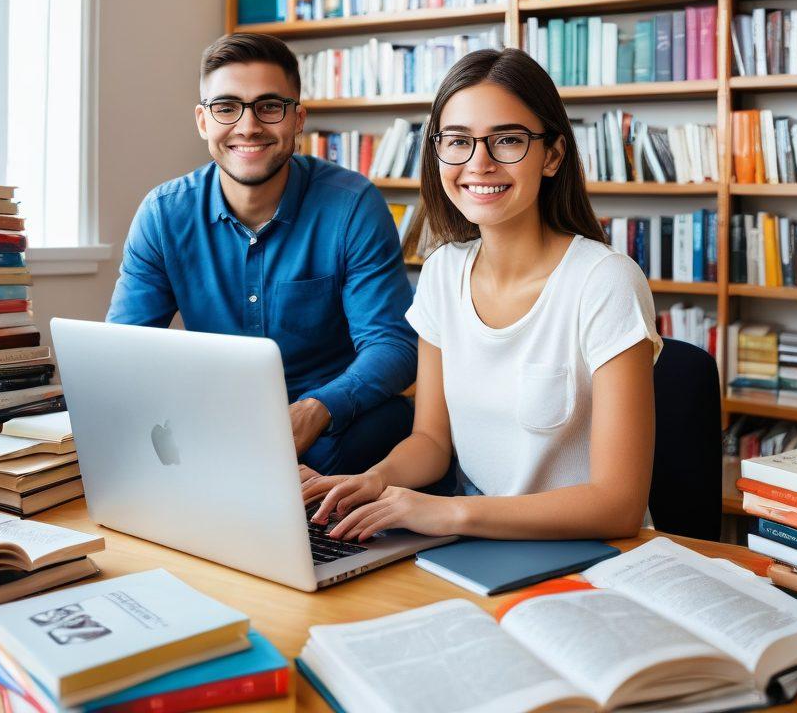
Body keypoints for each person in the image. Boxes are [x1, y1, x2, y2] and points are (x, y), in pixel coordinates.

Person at [304, 47, 661, 541]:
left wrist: (451, 514)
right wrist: (374, 481)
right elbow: (431, 440)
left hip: (589, 555)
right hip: (476, 548)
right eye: (458, 141)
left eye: (508, 140)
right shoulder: (442, 272)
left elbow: (618, 505)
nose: (479, 163)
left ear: (552, 155)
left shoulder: (605, 281)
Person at [107, 33, 417, 476]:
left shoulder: (352, 205)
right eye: (226, 107)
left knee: (366, 436)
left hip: (333, 422)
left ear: (298, 120)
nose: (248, 126)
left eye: (269, 106)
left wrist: (316, 409)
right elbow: (122, 351)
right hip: (217, 422)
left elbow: (393, 345)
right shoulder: (163, 215)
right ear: (203, 121)